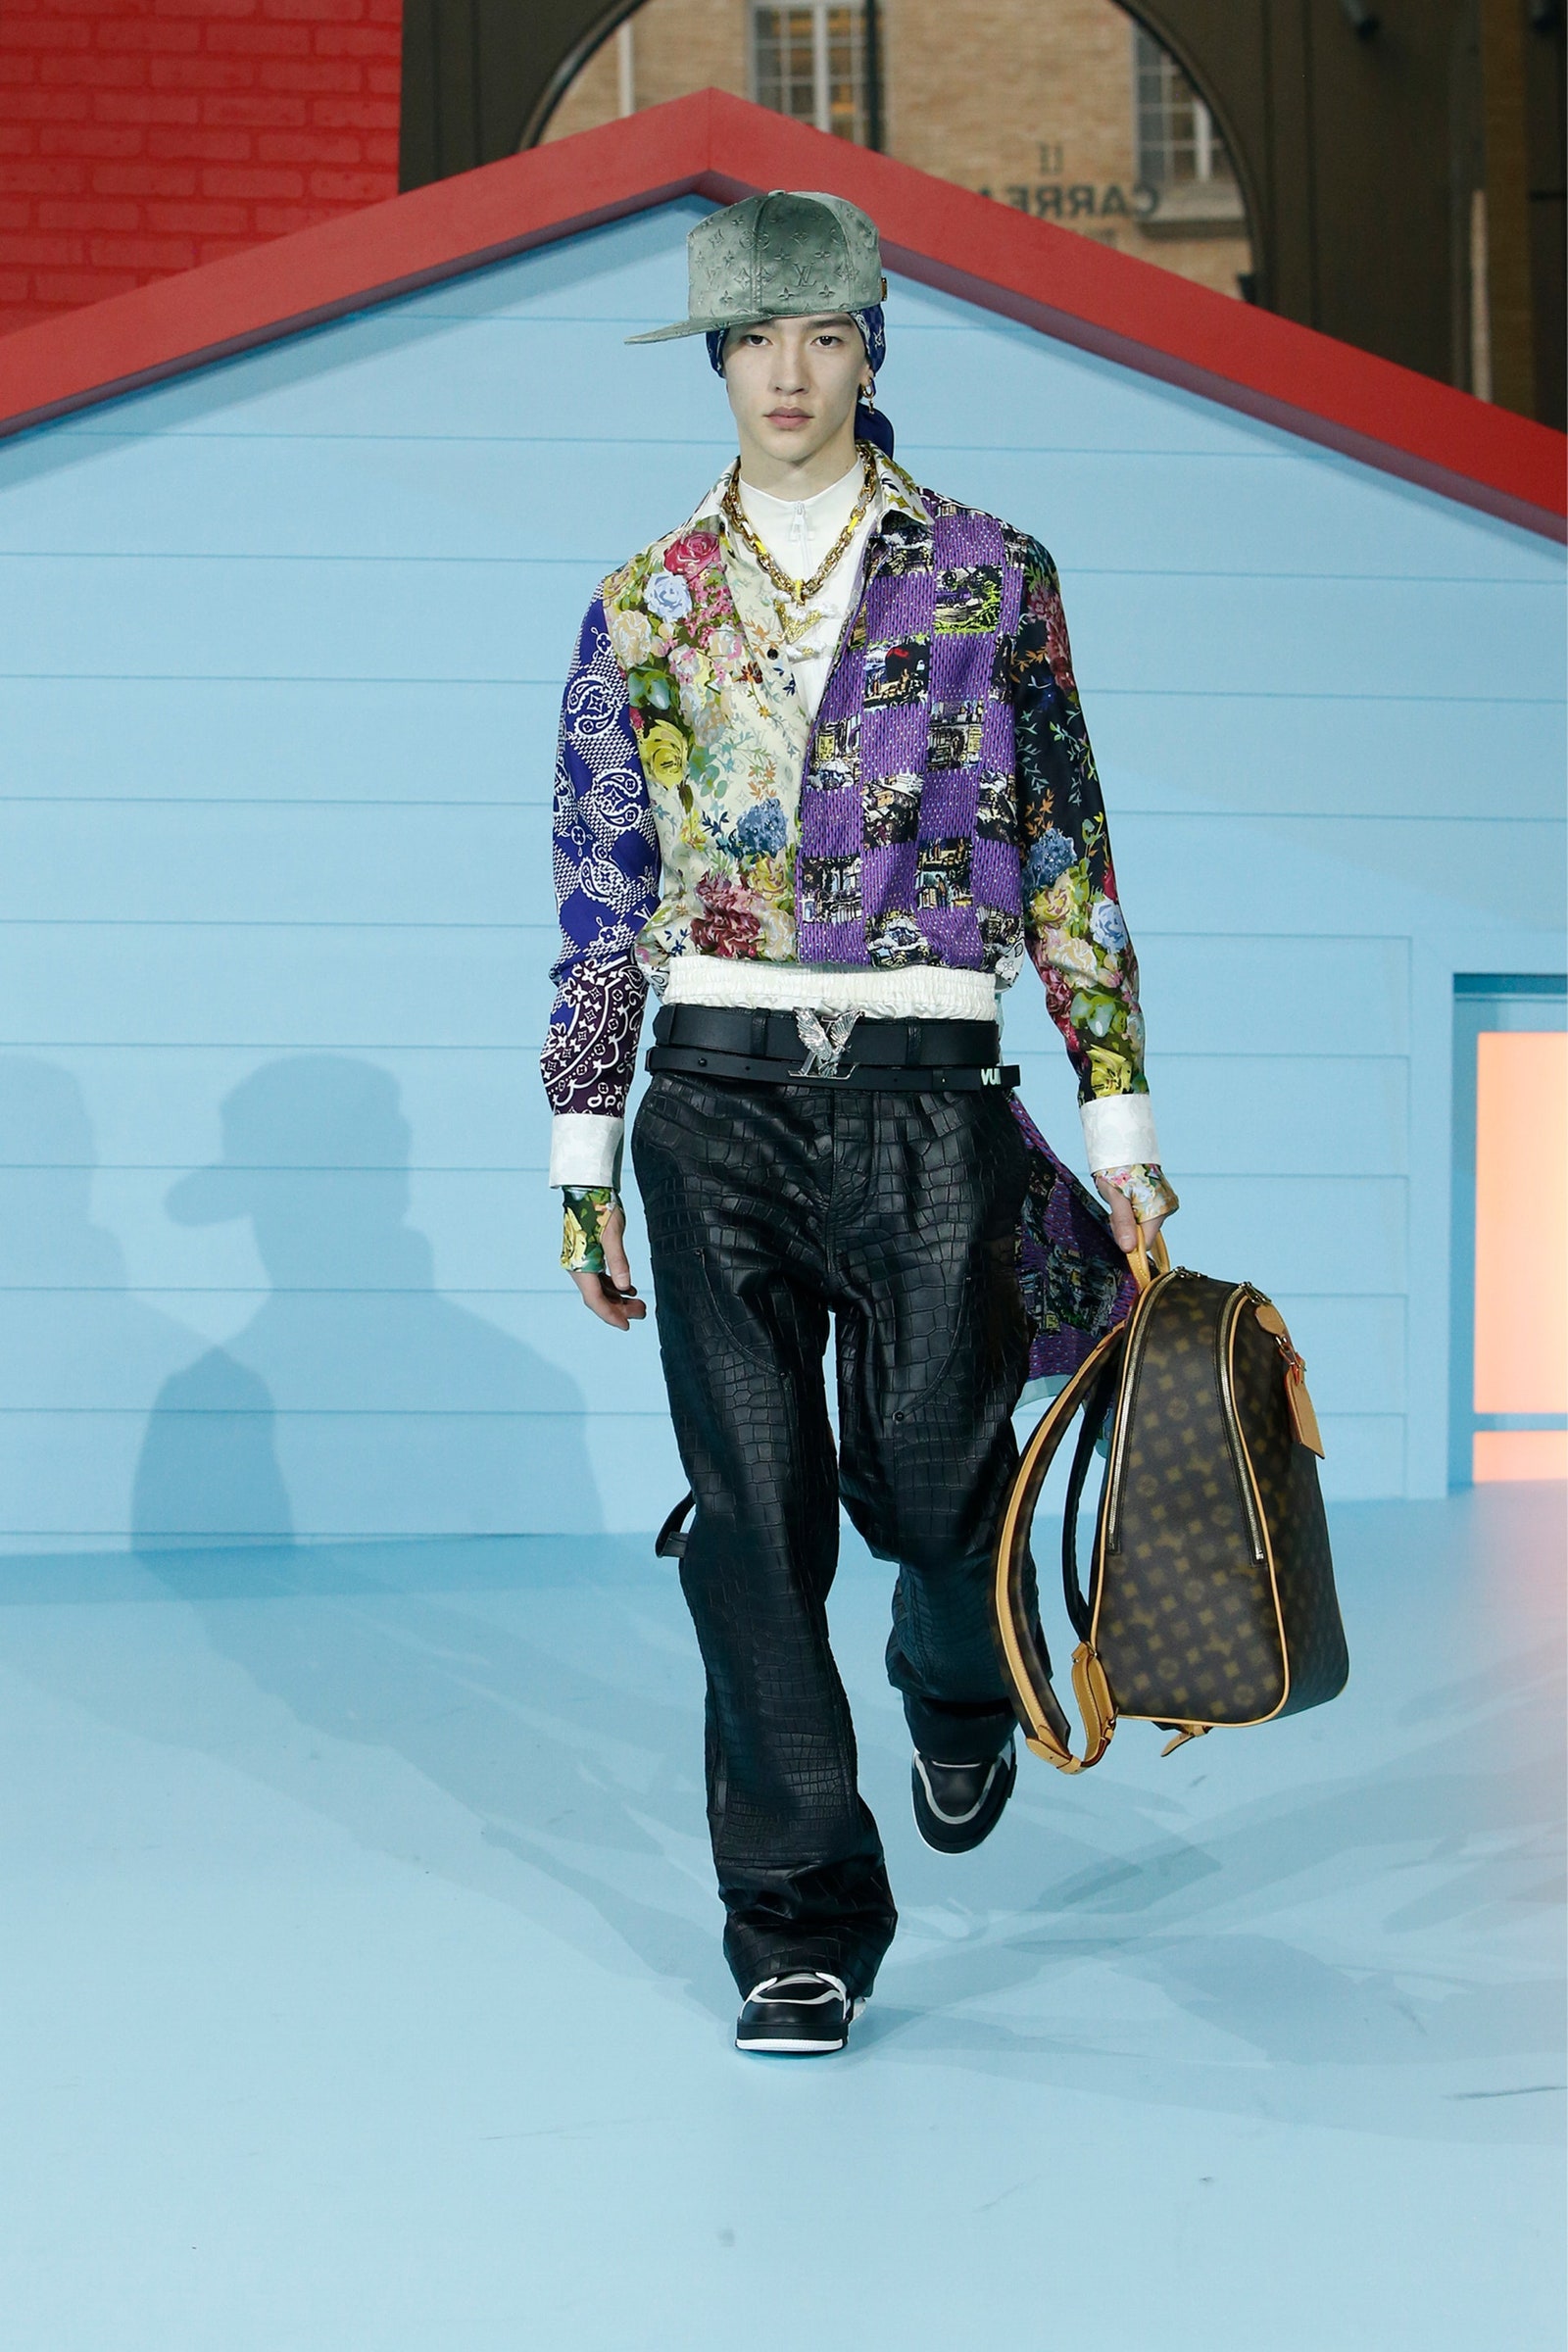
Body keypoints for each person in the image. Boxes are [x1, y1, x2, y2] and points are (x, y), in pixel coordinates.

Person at [543, 190, 1177, 2057]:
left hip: (928, 1101)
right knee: (752, 1527)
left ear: (870, 349)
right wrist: (582, 1158)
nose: (789, 373)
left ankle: (953, 1672)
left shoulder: (991, 576)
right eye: (756, 338)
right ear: (718, 360)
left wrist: (1121, 1124)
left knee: (933, 1484)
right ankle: (800, 1925)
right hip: (715, 1101)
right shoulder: (644, 603)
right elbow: (600, 895)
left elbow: (1067, 854)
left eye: (824, 335)